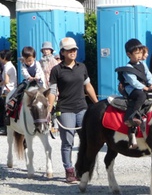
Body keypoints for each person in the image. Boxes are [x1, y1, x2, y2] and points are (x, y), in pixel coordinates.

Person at [47, 37, 98, 183]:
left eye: (74, 49)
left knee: (86, 140)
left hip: (82, 107)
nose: (73, 52)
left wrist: (97, 104)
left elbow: (88, 87)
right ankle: (69, 171)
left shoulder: (82, 67)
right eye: (69, 50)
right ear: (62, 52)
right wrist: (49, 111)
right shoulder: (56, 70)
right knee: (67, 141)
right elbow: (52, 91)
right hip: (65, 109)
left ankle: (83, 169)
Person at [121, 39, 152, 129]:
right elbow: (133, 82)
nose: (139, 56)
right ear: (129, 54)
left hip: (143, 87)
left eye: (140, 53)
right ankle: (132, 116)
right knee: (141, 96)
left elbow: (148, 75)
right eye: (136, 53)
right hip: (132, 89)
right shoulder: (128, 68)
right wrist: (145, 88)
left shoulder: (143, 64)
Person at [6, 46, 46, 112]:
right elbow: (24, 72)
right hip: (29, 81)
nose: (28, 62)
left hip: (37, 80)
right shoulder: (23, 65)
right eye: (26, 61)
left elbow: (39, 71)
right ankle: (13, 100)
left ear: (34, 57)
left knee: (44, 90)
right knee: (20, 87)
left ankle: (47, 101)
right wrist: (28, 77)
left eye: (30, 60)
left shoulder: (37, 63)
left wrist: (36, 76)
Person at [0, 50, 17, 134]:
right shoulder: (11, 65)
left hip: (7, 90)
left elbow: (6, 81)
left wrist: (0, 83)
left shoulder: (7, 67)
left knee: (6, 110)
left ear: (4, 58)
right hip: (12, 89)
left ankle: (6, 128)